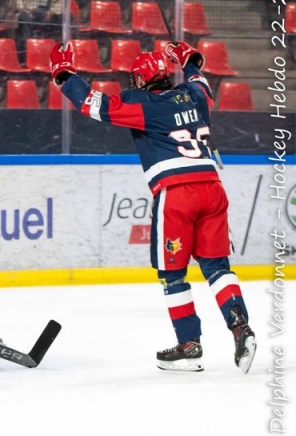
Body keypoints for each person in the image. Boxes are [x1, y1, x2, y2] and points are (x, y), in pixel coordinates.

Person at [48, 41, 256, 373]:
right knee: (217, 267)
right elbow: (200, 80)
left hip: (177, 193)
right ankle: (240, 327)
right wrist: (189, 60)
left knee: (172, 273)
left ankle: (190, 345)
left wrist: (65, 74)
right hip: (213, 189)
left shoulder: (144, 103)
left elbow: (92, 104)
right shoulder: (195, 95)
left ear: (142, 80)